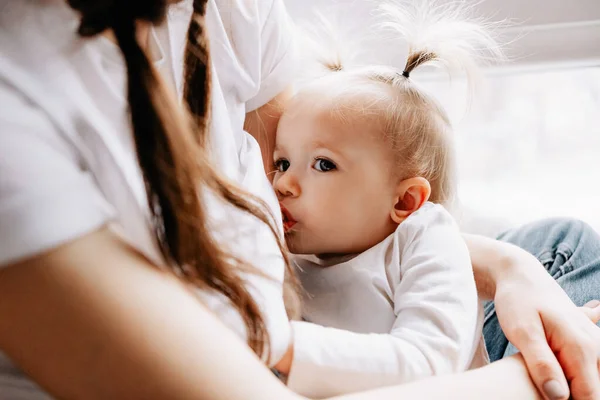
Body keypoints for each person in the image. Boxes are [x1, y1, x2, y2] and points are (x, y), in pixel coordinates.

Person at [0, 1, 599, 399]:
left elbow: (361, 210)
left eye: (308, 166)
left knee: (556, 245)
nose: (280, 180)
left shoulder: (224, 12)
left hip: (403, 342)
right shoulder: (20, 123)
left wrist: (507, 267)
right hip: (388, 372)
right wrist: (534, 376)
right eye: (280, 165)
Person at [273, 1, 494, 393]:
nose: (283, 184)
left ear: (405, 202)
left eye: (323, 164)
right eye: (282, 162)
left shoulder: (422, 238)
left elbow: (431, 361)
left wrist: (280, 344)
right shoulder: (285, 251)